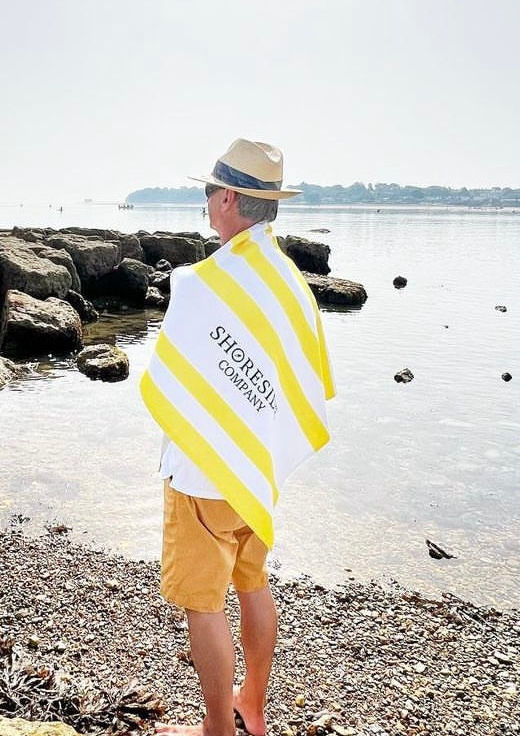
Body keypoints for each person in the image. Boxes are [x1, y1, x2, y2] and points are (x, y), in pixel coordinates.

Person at [140, 138, 337, 736]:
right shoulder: (287, 282)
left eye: (208, 191)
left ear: (229, 197)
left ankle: (217, 733)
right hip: (254, 471)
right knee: (252, 585)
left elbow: (172, 375)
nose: (205, 203)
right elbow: (297, 379)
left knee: (203, 607)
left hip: (204, 474)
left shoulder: (204, 283)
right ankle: (251, 705)